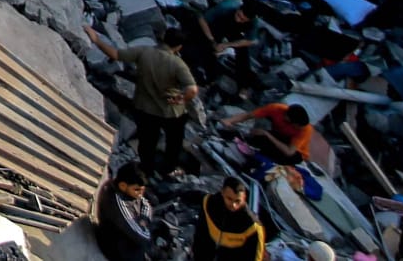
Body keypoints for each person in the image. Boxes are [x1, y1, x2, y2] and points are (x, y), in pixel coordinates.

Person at [86, 22, 199, 172]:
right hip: (171, 112)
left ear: (163, 38)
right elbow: (192, 89)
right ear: (179, 47)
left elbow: (115, 54)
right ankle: (168, 168)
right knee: (174, 142)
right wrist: (182, 99)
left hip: (145, 108)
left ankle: (146, 170)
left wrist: (96, 39)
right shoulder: (178, 64)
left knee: (147, 142)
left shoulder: (143, 52)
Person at [192, 177, 266, 261]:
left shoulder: (253, 226)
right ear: (222, 192)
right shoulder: (209, 205)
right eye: (229, 199)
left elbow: (255, 257)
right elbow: (201, 236)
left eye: (238, 201)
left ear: (244, 197)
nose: (233, 205)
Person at [96, 164, 157, 261]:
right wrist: (147, 233)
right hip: (114, 244)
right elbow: (138, 235)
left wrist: (144, 219)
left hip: (129, 229)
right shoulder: (117, 201)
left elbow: (145, 203)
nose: (140, 193)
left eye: (142, 190)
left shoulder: (129, 190)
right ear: (123, 186)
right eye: (137, 190)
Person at [223, 102, 315, 166]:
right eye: (296, 125)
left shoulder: (305, 130)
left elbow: (289, 152)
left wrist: (267, 134)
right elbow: (249, 115)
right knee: (257, 138)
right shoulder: (275, 109)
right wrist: (229, 121)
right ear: (288, 118)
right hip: (279, 137)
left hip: (295, 152)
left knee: (281, 157)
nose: (298, 128)